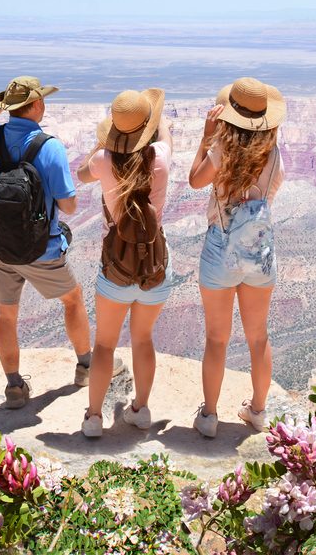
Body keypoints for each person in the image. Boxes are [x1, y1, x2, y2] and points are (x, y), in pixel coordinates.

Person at [0, 76, 107, 409]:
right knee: (72, 299)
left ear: (9, 106)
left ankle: (15, 387)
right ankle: (86, 367)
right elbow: (69, 205)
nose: (44, 104)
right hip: (42, 248)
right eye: (42, 99)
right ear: (35, 105)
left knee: (6, 315)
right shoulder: (49, 146)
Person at [188, 77, 285, 437]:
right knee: (258, 337)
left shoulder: (221, 151)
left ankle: (209, 416)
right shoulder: (274, 154)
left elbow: (196, 180)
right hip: (259, 251)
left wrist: (206, 138)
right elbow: (270, 192)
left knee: (217, 338)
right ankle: (258, 410)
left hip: (220, 248)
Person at [77, 88, 173, 438]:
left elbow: (80, 174)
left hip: (115, 268)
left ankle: (93, 418)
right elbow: (164, 135)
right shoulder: (161, 157)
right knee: (143, 339)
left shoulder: (103, 160)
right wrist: (152, 119)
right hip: (154, 267)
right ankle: (140, 409)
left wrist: (102, 141)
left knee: (104, 345)